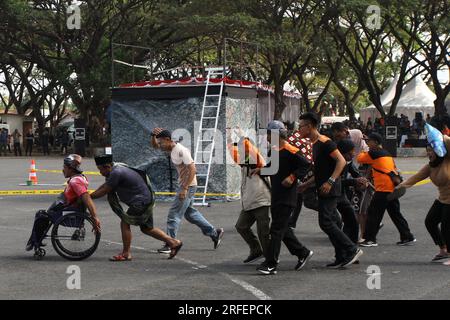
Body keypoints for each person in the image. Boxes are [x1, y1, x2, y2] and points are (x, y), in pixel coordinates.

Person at [298, 112, 363, 268]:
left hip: (331, 188)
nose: (299, 130)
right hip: (323, 188)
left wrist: (330, 181)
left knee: (326, 222)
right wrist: (307, 184)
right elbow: (320, 170)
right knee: (330, 221)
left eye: (301, 126)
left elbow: (341, 161)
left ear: (310, 126)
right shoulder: (314, 144)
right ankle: (341, 256)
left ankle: (351, 249)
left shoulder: (325, 142)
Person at [90, 154, 183, 261]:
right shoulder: (117, 169)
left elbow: (105, 190)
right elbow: (105, 186)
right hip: (146, 199)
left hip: (140, 201)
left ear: (107, 166)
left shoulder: (116, 172)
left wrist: (88, 196)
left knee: (125, 222)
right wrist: (90, 195)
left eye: (100, 169)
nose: (100, 172)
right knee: (147, 228)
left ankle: (126, 254)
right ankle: (174, 243)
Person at [253, 121, 313, 275]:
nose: (266, 136)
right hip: (277, 195)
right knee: (283, 229)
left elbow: (306, 165)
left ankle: (271, 264)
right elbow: (273, 168)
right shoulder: (274, 150)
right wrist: (260, 170)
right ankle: (302, 253)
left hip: (287, 197)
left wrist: (293, 177)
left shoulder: (290, 149)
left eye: (268, 133)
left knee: (276, 230)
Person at [151, 128, 224, 252]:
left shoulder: (181, 150)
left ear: (168, 140)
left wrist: (184, 188)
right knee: (190, 214)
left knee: (173, 215)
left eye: (162, 142)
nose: (160, 145)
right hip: (186, 185)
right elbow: (155, 145)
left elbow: (193, 170)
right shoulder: (170, 148)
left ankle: (171, 243)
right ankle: (214, 233)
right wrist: (153, 135)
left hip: (188, 186)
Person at [26, 154, 101, 251]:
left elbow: (86, 197)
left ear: (71, 169)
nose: (63, 170)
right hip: (69, 207)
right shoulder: (80, 177)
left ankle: (34, 242)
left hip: (69, 212)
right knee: (43, 215)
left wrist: (95, 217)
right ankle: (35, 241)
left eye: (64, 167)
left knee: (41, 216)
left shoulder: (75, 182)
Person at [396, 135, 450, 263]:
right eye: (427, 150)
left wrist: (439, 136)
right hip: (443, 198)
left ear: (438, 150)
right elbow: (416, 177)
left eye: (431, 150)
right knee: (430, 221)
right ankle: (443, 249)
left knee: (447, 227)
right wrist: (400, 186)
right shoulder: (431, 166)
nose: (429, 153)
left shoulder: (448, 159)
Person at [357, 133, 416, 247]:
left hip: (383, 189)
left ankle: (370, 239)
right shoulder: (386, 153)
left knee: (373, 213)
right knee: (395, 214)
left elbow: (360, 159)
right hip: (392, 188)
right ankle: (407, 236)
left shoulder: (373, 153)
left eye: (368, 141)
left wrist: (364, 149)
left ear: (375, 142)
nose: (367, 143)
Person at [227, 130, 271, 263]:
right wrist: (229, 140)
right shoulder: (244, 161)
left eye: (242, 148)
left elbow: (249, 148)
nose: (239, 151)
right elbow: (233, 153)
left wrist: (242, 137)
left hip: (261, 200)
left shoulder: (257, 159)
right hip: (249, 201)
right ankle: (256, 250)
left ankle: (270, 259)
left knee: (264, 233)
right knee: (241, 226)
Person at [336, 139, 369, 244]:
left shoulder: (348, 161)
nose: (354, 153)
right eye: (352, 151)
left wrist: (362, 179)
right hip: (331, 195)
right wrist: (354, 181)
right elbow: (336, 182)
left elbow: (355, 172)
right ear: (344, 152)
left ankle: (350, 248)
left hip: (341, 194)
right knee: (331, 223)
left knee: (351, 220)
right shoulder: (335, 162)